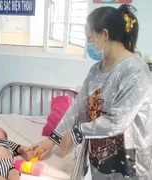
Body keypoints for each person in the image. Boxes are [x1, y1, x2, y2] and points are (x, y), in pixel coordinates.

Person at [32, 4, 152, 180]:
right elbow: (78, 107)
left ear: (104, 34)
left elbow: (118, 121)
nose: (88, 43)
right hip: (100, 161)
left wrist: (76, 132)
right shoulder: (96, 70)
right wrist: (53, 140)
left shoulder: (135, 71)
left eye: (89, 37)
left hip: (130, 163)